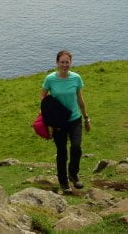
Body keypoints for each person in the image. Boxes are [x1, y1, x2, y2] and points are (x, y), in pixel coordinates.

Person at [41, 50, 91, 192]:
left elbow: (80, 99)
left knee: (76, 147)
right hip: (58, 122)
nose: (65, 65)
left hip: (75, 119)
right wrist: (48, 122)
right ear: (57, 63)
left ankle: (73, 175)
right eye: (62, 62)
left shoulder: (76, 78)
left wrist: (86, 118)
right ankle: (63, 183)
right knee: (62, 152)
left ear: (71, 62)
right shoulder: (50, 79)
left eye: (67, 62)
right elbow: (43, 99)